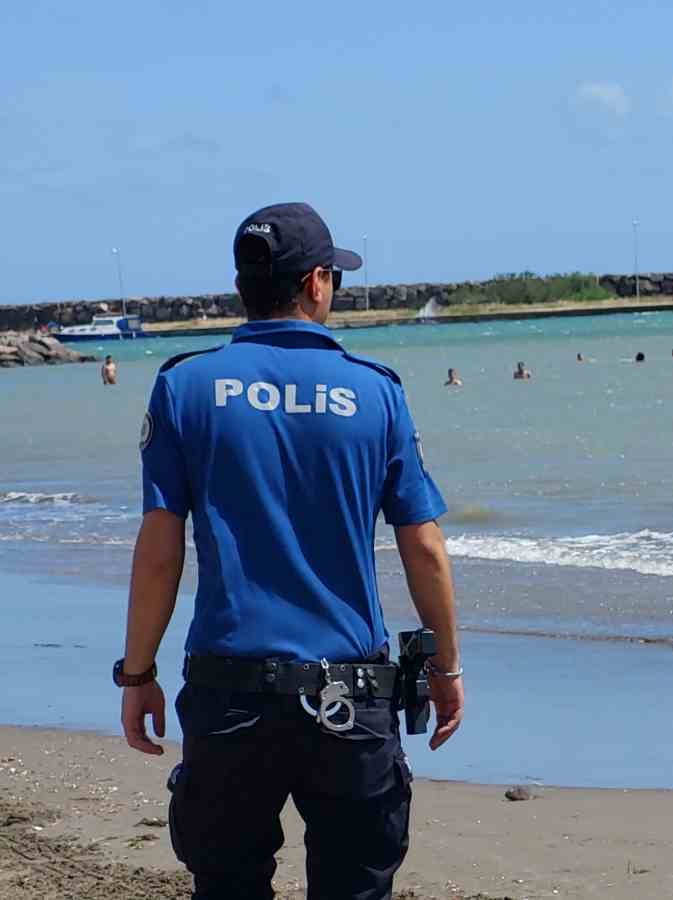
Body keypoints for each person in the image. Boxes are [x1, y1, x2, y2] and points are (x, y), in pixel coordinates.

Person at [118, 202, 465, 900]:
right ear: (314, 281)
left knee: (226, 885)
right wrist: (447, 667)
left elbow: (160, 551)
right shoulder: (376, 392)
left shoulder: (185, 386)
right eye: (332, 277)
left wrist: (137, 673)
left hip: (228, 696)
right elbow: (422, 546)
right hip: (349, 699)